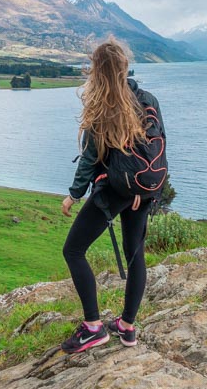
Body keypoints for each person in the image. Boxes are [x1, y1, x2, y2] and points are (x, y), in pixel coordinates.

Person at [60, 38, 164, 354]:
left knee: (74, 250)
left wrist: (74, 195)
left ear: (97, 71)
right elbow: (158, 146)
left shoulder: (102, 107)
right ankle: (127, 327)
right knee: (135, 255)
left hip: (115, 190)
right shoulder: (147, 99)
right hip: (143, 189)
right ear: (124, 67)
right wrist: (144, 190)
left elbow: (91, 159)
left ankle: (93, 327)